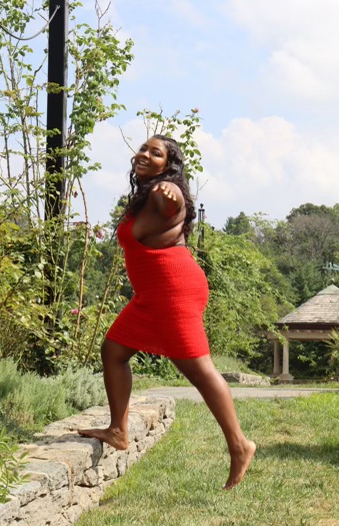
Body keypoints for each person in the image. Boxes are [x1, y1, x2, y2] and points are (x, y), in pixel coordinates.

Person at [77, 134, 256, 490]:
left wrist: (171, 195)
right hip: (153, 292)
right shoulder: (147, 193)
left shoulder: (163, 193)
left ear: (168, 164)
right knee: (114, 350)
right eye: (143, 149)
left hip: (173, 290)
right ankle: (118, 429)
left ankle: (239, 445)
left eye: (154, 152)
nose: (143, 154)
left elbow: (171, 202)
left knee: (198, 370)